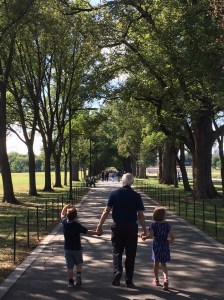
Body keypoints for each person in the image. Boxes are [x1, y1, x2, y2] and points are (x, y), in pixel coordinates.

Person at [97, 173, 147, 288]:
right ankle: (129, 280)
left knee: (116, 251)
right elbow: (140, 215)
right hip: (131, 228)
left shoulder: (114, 194)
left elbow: (106, 211)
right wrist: (144, 230)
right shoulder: (136, 196)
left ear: (122, 181)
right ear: (132, 182)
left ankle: (118, 270)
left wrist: (99, 225)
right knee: (131, 254)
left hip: (118, 227)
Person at [61, 204, 102, 288]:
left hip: (67, 249)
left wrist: (65, 206)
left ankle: (70, 282)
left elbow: (62, 213)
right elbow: (87, 232)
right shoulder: (77, 225)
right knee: (79, 263)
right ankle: (78, 274)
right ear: (76, 217)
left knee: (69, 266)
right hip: (77, 249)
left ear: (67, 216)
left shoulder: (64, 222)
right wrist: (97, 233)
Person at [141, 206, 174, 291]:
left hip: (156, 245)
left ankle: (156, 280)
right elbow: (172, 236)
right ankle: (166, 279)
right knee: (164, 264)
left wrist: (145, 237)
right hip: (164, 244)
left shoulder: (153, 224)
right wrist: (170, 241)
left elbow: (151, 235)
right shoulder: (167, 225)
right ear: (164, 216)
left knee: (156, 263)